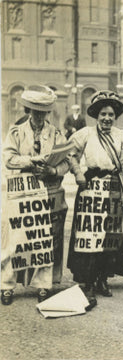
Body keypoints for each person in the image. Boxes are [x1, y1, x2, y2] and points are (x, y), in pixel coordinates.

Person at [2, 85, 69, 305]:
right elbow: (9, 158)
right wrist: (31, 161)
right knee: (15, 240)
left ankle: (43, 285)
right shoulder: (16, 132)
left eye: (43, 111)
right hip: (22, 190)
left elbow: (66, 162)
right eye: (35, 110)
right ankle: (6, 285)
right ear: (28, 110)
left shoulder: (56, 133)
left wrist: (52, 170)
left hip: (48, 191)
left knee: (44, 240)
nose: (39, 116)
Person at [68, 90, 123, 309]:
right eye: (103, 114)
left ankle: (103, 278)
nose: (107, 118)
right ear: (96, 115)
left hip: (112, 187)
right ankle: (87, 281)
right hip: (90, 189)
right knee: (89, 235)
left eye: (111, 115)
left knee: (109, 236)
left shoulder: (122, 136)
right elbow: (70, 154)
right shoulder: (85, 134)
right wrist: (78, 173)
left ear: (115, 117)